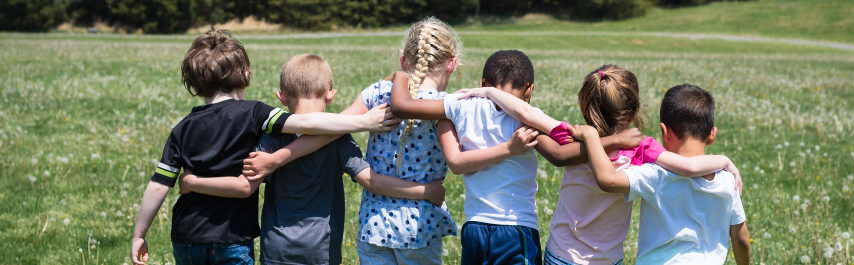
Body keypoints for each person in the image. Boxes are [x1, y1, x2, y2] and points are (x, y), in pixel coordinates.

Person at [129, 29, 398, 265]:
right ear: (246, 76)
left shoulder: (183, 128)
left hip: (194, 236)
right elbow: (308, 124)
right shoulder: (255, 115)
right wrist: (361, 121)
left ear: (196, 86)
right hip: (247, 240)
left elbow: (158, 184)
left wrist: (140, 233)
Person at [455, 64, 742, 265]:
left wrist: (492, 93)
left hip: (562, 255)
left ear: (585, 106)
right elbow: (688, 167)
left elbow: (526, 113)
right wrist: (725, 161)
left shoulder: (573, 139)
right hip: (609, 259)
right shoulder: (642, 148)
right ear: (633, 113)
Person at [178, 54, 447, 265]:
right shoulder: (340, 139)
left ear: (281, 98)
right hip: (322, 251)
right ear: (331, 94)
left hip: (276, 249)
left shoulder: (270, 140)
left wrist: (192, 181)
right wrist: (426, 191)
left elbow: (244, 185)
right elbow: (372, 181)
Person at [391, 50, 644, 265]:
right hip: (516, 228)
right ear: (529, 90)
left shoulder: (459, 105)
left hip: (473, 227)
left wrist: (400, 75)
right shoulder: (527, 118)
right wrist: (613, 141)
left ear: (482, 84)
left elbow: (402, 106)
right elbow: (558, 154)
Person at [568, 84, 750, 265]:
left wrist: (591, 137)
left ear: (664, 132)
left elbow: (608, 180)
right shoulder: (729, 181)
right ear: (712, 134)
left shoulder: (656, 175)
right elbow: (741, 239)